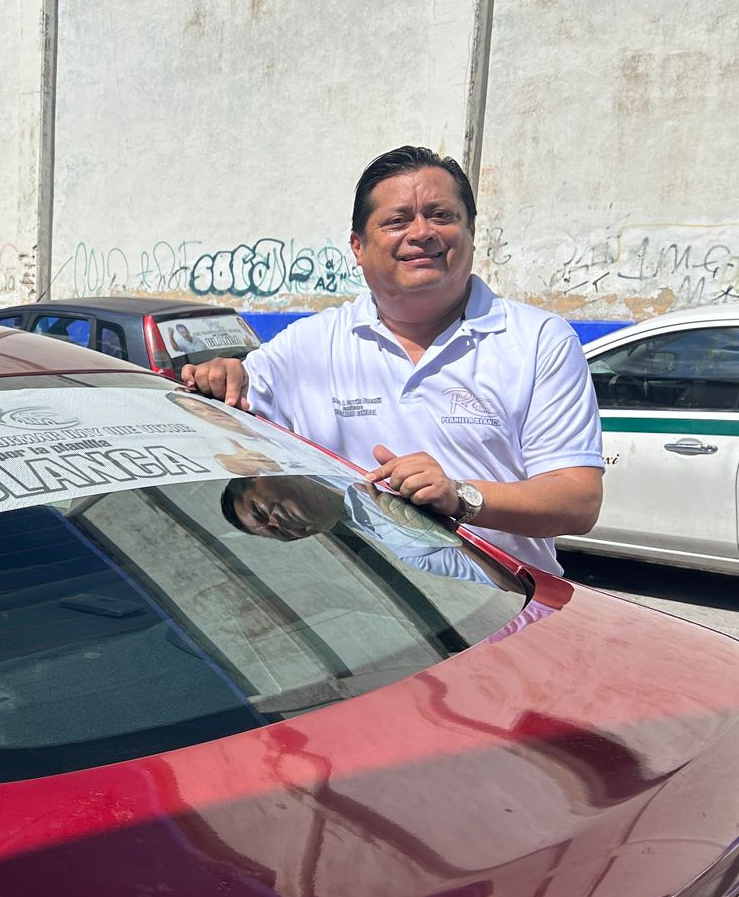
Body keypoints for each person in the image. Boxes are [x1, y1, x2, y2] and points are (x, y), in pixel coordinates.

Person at [182, 145, 603, 575]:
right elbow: (219, 416)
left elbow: (578, 500)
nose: (421, 232)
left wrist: (460, 496)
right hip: (380, 605)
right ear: (358, 246)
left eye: (441, 215)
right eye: (397, 221)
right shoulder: (309, 345)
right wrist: (220, 377)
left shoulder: (539, 341)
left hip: (509, 605)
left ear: (471, 232)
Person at [220, 472, 506, 586]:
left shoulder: (310, 437)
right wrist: (445, 528)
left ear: (258, 476)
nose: (277, 524)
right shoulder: (409, 548)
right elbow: (511, 583)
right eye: (277, 534)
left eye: (260, 511)